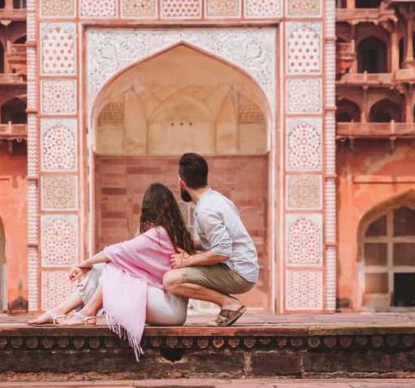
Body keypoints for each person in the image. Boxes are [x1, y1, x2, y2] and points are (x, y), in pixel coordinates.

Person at [28, 182, 192, 357]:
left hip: (169, 310)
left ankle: (85, 313)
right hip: (171, 309)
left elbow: (116, 251)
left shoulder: (158, 234)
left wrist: (82, 265)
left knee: (113, 266)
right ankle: (61, 311)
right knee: (108, 266)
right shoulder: (175, 233)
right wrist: (87, 265)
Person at [163, 152, 258, 326]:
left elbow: (222, 252)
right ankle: (229, 304)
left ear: (181, 183)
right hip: (243, 268)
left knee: (171, 280)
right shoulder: (218, 200)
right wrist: (187, 244)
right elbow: (218, 243)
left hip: (238, 273)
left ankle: (229, 304)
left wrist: (188, 261)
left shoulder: (206, 210)